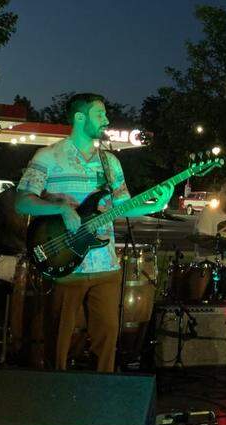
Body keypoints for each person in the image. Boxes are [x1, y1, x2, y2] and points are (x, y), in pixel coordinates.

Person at [15, 93, 172, 372]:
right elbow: (23, 200)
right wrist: (61, 210)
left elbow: (122, 206)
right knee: (59, 342)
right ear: (80, 117)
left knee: (108, 339)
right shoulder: (49, 156)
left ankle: (102, 394)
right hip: (64, 263)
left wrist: (156, 204)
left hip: (106, 264)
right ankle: (56, 392)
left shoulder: (110, 162)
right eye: (100, 114)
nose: (107, 120)